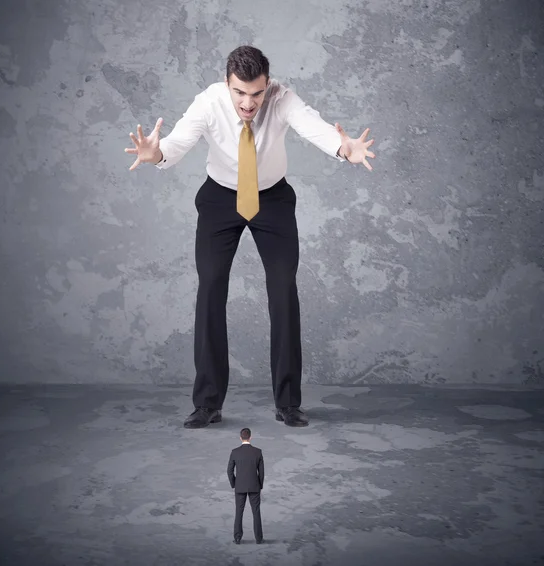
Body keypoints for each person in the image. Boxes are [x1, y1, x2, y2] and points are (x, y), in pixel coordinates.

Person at [125, 46, 375, 429]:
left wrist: (344, 147)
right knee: (210, 286)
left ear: (267, 85)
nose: (248, 103)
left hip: (271, 198)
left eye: (256, 94)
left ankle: (289, 403)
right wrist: (156, 154)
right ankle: (207, 403)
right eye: (240, 93)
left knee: (282, 288)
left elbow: (314, 126)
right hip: (220, 198)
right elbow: (176, 143)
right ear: (228, 84)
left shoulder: (281, 97)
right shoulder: (209, 102)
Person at [227, 428, 264, 544]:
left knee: (239, 512)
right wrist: (260, 485)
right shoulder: (258, 452)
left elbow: (229, 471)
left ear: (240, 438)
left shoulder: (235, 452)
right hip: (254, 486)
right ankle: (258, 538)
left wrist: (234, 484)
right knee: (256, 512)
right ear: (250, 437)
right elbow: (262, 472)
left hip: (240, 486)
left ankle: (237, 538)